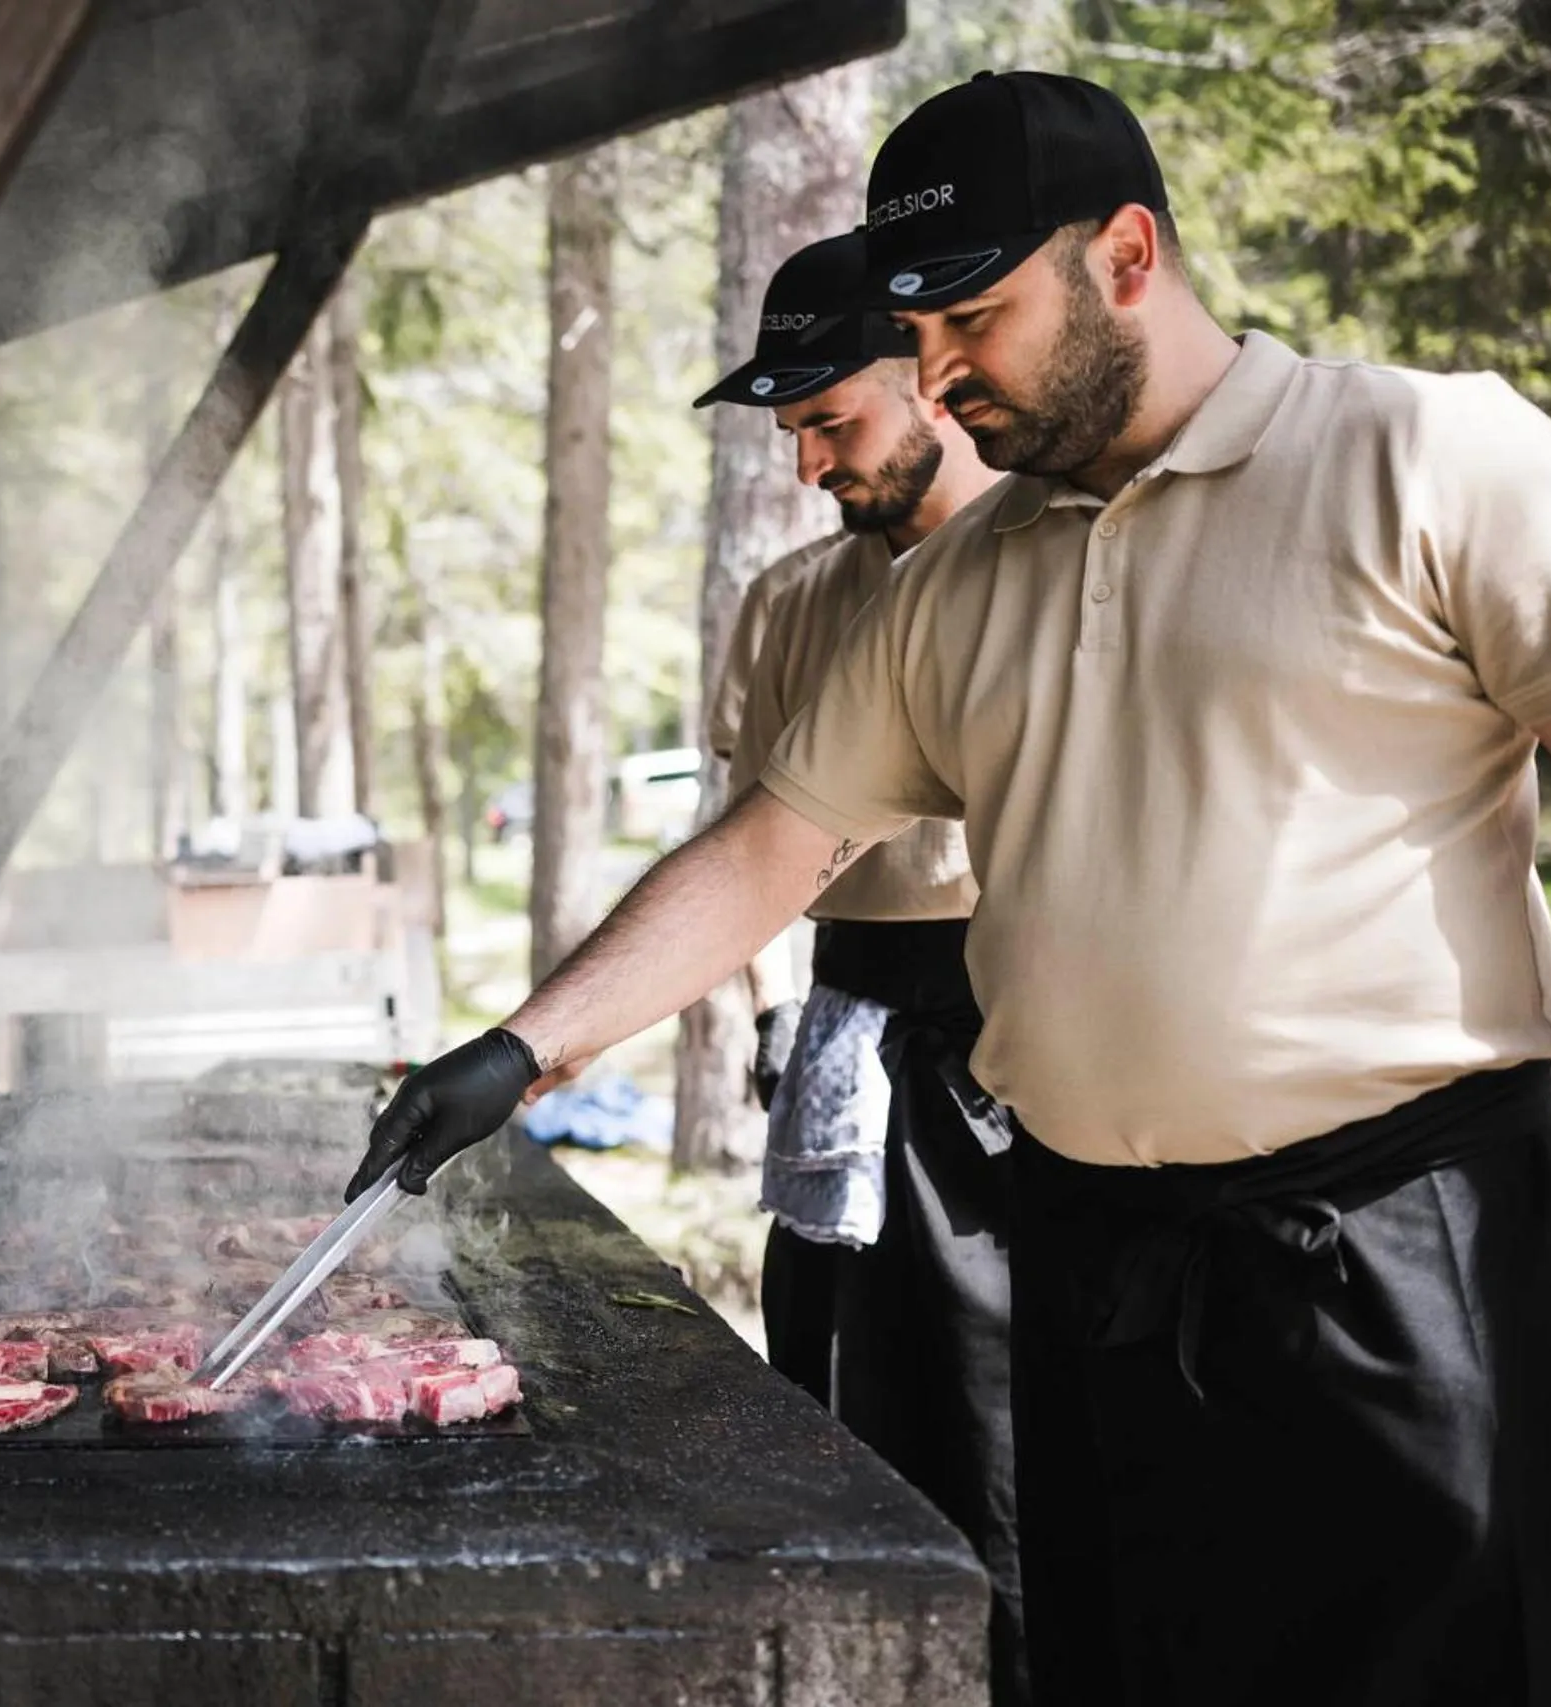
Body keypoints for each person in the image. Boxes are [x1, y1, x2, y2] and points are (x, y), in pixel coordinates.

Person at [351, 69, 1551, 1707]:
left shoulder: (1425, 456)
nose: (932, 373)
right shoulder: (960, 585)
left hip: (1395, 1264)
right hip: (1090, 1265)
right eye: (915, 330)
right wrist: (522, 1049)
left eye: (973, 319)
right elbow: (776, 841)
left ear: (1126, 256)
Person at [695, 229, 1023, 1705]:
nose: (808, 462)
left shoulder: (1049, 564)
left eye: (832, 419)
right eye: (791, 431)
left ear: (933, 379)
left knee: (995, 1425)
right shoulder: (791, 601)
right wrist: (775, 1015)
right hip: (845, 1027)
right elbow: (747, 853)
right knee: (825, 1385)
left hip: (1008, 1043)